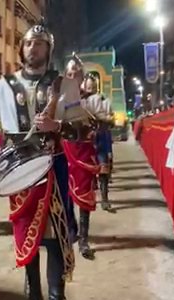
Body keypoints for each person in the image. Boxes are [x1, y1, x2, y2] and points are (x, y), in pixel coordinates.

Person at [0, 21, 76, 300]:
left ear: (48, 50)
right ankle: (33, 296)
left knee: (52, 240)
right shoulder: (4, 85)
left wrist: (60, 125)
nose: (33, 48)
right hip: (18, 170)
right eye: (28, 43)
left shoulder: (63, 84)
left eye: (39, 43)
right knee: (26, 236)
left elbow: (84, 127)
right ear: (20, 49)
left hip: (53, 166)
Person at [59, 58, 104, 260]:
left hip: (84, 150)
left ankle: (84, 240)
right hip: (64, 150)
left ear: (81, 76)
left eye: (76, 74)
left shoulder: (91, 100)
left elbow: (100, 123)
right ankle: (71, 228)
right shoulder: (59, 98)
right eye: (69, 74)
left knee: (84, 194)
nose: (72, 77)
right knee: (65, 193)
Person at [89, 76, 116, 212]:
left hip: (101, 137)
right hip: (86, 140)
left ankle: (104, 199)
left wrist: (105, 118)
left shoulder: (104, 101)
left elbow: (111, 120)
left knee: (103, 169)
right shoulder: (81, 100)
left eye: (92, 86)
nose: (90, 89)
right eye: (88, 87)